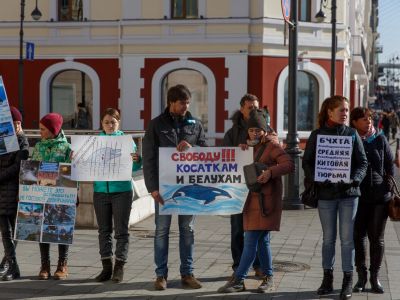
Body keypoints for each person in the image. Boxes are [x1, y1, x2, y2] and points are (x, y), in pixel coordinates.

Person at [218, 109, 294, 293]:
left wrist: (270, 172)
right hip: (251, 201)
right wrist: (241, 151)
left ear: (265, 130)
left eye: (258, 130)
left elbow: (289, 164)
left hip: (266, 203)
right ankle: (268, 278)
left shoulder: (272, 146)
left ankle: (239, 279)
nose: (255, 133)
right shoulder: (248, 147)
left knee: (251, 240)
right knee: (262, 242)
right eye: (251, 130)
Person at [143, 84, 207, 291]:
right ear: (171, 102)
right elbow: (149, 159)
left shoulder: (195, 124)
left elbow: (205, 151)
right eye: (182, 103)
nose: (186, 106)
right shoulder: (155, 125)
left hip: (189, 187)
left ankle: (187, 274)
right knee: (162, 231)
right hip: (163, 188)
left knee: (187, 230)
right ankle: (161, 276)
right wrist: (152, 188)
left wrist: (193, 148)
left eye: (188, 103)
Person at [302, 96, 368, 300]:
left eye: (347, 110)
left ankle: (347, 279)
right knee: (328, 239)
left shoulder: (351, 134)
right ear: (329, 112)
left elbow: (362, 163)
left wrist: (354, 180)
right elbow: (307, 163)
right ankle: (327, 278)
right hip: (326, 195)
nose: (345, 113)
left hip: (349, 195)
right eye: (342, 110)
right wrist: (318, 179)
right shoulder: (317, 134)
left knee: (347, 240)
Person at [93, 108, 142, 283]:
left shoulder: (126, 141)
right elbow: (86, 164)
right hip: (100, 191)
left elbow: (135, 168)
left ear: (118, 123)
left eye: (113, 122)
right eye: (106, 122)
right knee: (103, 231)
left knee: (121, 231)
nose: (110, 125)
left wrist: (137, 160)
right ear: (101, 124)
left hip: (122, 190)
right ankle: (106, 267)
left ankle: (119, 267)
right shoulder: (95, 142)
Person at [350, 107, 393, 294]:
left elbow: (390, 166)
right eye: (364, 119)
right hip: (357, 196)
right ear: (354, 122)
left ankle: (375, 278)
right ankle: (361, 277)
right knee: (358, 238)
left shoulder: (380, 138)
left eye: (370, 119)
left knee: (377, 239)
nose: (369, 122)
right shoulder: (349, 140)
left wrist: (388, 189)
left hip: (378, 197)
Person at [223, 93, 264, 277]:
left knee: (257, 229)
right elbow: (224, 157)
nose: (254, 110)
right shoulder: (232, 133)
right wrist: (236, 150)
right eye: (250, 108)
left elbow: (273, 151)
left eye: (256, 107)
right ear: (242, 109)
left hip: (259, 188)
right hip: (237, 188)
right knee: (238, 228)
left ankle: (258, 265)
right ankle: (238, 266)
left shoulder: (265, 128)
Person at [32, 112, 72, 280]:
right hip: (41, 194)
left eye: (43, 129)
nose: (40, 132)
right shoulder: (38, 146)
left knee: (62, 227)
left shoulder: (66, 148)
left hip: (60, 194)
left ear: (52, 129)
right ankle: (45, 265)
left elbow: (71, 173)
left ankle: (62, 264)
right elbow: (32, 169)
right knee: (43, 228)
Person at [0, 107, 29, 281]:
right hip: (2, 192)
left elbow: (19, 166)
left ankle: (10, 266)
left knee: (12, 232)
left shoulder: (22, 141)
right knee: (5, 232)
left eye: (18, 122)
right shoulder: (2, 139)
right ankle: (10, 265)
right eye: (13, 122)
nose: (16, 125)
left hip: (14, 191)